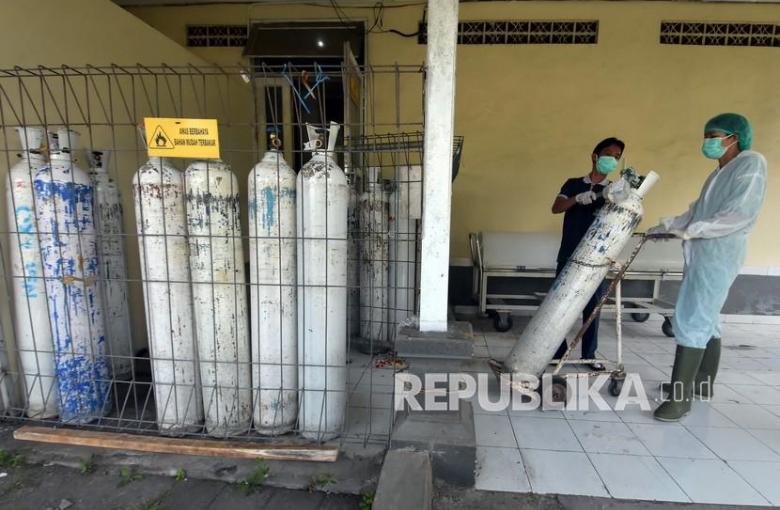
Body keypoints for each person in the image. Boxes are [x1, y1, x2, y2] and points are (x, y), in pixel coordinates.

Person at [648, 113, 767, 421]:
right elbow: (698, 211)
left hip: (718, 252)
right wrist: (666, 227)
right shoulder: (718, 173)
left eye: (714, 136)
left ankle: (679, 399)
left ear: (734, 138)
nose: (708, 142)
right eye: (706, 136)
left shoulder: (751, 164)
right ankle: (700, 385)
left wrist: (694, 230)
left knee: (692, 319)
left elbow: (739, 213)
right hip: (703, 252)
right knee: (708, 318)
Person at [551, 137, 626, 371]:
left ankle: (589, 355)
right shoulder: (573, 184)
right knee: (559, 305)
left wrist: (613, 198)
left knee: (592, 308)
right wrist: (577, 198)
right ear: (595, 156)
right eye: (608, 154)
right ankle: (557, 352)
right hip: (568, 254)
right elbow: (556, 208)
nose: (612, 160)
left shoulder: (613, 191)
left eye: (616, 157)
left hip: (596, 258)